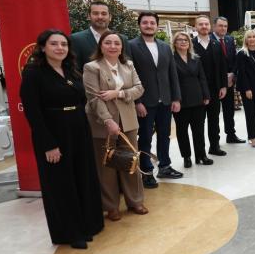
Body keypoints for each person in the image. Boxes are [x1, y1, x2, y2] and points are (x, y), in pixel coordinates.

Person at [20, 30, 103, 249]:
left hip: (78, 129)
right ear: (43, 47)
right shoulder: (33, 73)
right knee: (61, 184)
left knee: (83, 177)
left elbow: (81, 99)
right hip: (54, 133)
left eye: (64, 44)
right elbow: (33, 112)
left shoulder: (71, 69)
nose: (60, 48)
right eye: (54, 44)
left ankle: (87, 224)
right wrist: (48, 144)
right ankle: (71, 232)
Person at [83, 30, 147, 220]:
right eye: (108, 43)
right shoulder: (92, 67)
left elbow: (139, 89)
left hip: (128, 120)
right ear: (101, 46)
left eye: (116, 43)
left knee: (130, 161)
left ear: (121, 47)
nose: (113, 46)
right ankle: (111, 206)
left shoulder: (128, 65)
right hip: (102, 123)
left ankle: (135, 201)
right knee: (106, 166)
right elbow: (94, 98)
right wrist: (108, 120)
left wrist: (118, 93)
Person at [128, 12, 183, 188]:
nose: (149, 25)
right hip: (145, 101)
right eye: (145, 22)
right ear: (139, 25)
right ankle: (146, 171)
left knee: (165, 135)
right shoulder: (131, 46)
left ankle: (165, 166)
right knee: (145, 137)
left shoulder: (165, 47)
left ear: (157, 26)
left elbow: (172, 74)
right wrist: (137, 102)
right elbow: (130, 76)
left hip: (165, 100)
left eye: (152, 23)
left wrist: (176, 98)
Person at [172, 31, 212, 167]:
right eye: (180, 40)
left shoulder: (196, 58)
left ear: (189, 43)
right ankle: (186, 157)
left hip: (197, 98)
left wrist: (206, 95)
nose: (183, 42)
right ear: (174, 43)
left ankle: (201, 155)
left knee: (199, 130)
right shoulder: (171, 59)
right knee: (182, 131)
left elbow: (202, 78)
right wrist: (174, 99)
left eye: (186, 40)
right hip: (180, 100)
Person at [192, 16, 227, 157]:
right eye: (201, 24)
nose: (204, 26)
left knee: (214, 120)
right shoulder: (190, 44)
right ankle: (200, 153)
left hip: (214, 89)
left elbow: (222, 67)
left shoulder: (216, 44)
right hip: (197, 90)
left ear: (210, 26)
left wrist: (223, 86)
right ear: (195, 27)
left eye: (206, 24)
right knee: (198, 123)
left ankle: (214, 146)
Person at [211, 17, 244, 144]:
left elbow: (235, 59)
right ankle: (215, 141)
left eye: (225, 26)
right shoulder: (209, 40)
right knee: (214, 114)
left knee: (229, 110)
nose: (223, 28)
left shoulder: (230, 39)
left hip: (229, 82)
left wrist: (232, 74)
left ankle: (231, 135)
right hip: (214, 83)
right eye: (220, 25)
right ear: (214, 26)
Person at [70, 0, 129, 68]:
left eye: (104, 14)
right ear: (89, 16)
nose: (100, 17)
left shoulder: (123, 39)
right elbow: (75, 69)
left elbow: (127, 66)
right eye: (95, 13)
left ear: (110, 17)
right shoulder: (76, 39)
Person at [235, 30, 255, 147]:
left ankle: (252, 136)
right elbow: (241, 73)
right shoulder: (242, 53)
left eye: (254, 37)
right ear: (246, 40)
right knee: (250, 113)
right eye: (249, 37)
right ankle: (252, 138)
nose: (252, 39)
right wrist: (247, 89)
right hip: (247, 88)